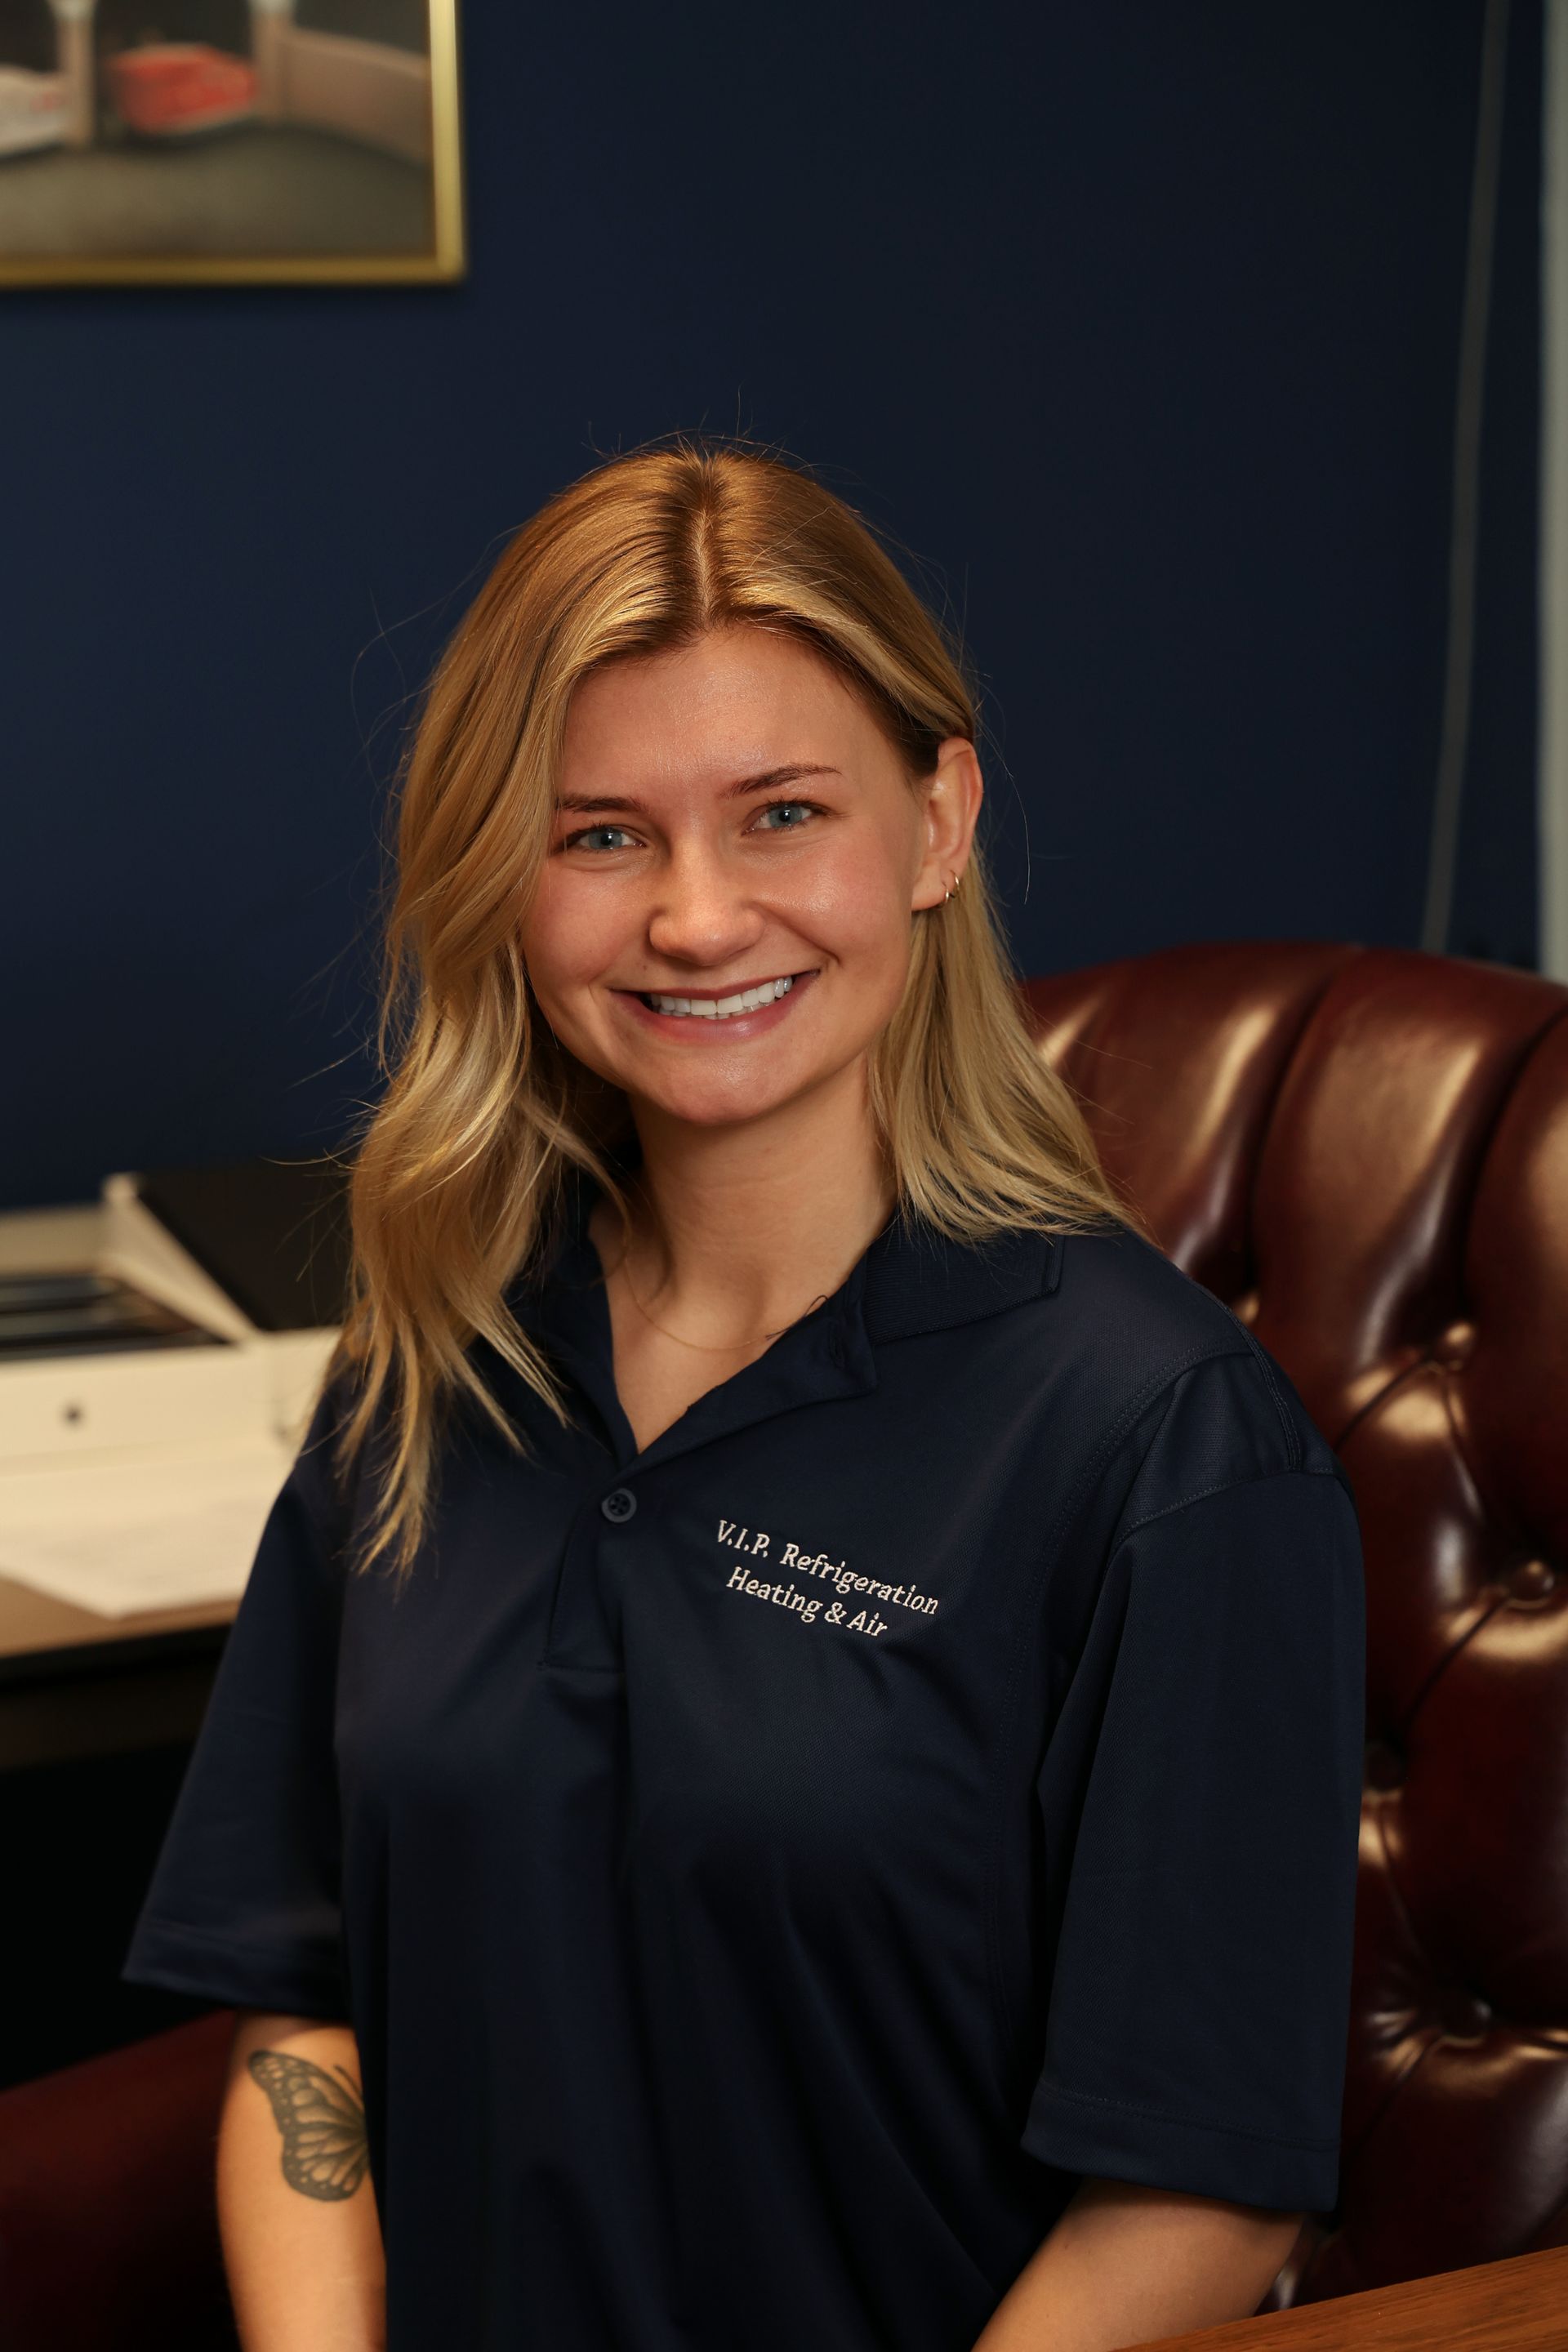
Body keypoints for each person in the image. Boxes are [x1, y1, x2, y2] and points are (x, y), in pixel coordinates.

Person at [123, 439, 1365, 2352]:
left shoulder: (1162, 1444)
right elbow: (305, 2004)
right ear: (502, 878)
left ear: (940, 823)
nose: (697, 920)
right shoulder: (437, 1358)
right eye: (601, 834)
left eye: (781, 814)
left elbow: (1198, 2190)